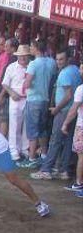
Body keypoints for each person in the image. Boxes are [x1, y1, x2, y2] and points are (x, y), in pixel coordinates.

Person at [31, 51, 82, 180]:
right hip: (73, 111)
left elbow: (68, 95)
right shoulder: (75, 70)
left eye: (61, 59)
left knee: (55, 140)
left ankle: (46, 170)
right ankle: (63, 170)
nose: (59, 62)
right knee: (68, 140)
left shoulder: (64, 73)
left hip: (64, 110)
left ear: (68, 59)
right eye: (57, 59)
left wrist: (56, 109)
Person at [20, 40, 57, 168]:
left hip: (34, 99)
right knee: (42, 129)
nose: (30, 48)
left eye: (31, 46)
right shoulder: (52, 62)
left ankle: (31, 158)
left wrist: (24, 85)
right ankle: (44, 155)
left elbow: (28, 82)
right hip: (45, 99)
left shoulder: (33, 64)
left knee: (32, 130)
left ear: (36, 48)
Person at [1, 44, 31, 162]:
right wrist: (11, 93)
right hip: (15, 98)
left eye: (25, 56)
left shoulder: (31, 67)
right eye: (21, 56)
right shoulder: (11, 67)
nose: (23, 58)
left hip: (28, 98)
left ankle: (24, 149)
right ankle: (13, 150)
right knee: (14, 125)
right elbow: (5, 83)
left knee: (26, 125)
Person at [61, 68, 83, 195]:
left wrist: (65, 124)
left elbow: (74, 109)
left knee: (81, 156)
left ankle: (79, 183)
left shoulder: (81, 89)